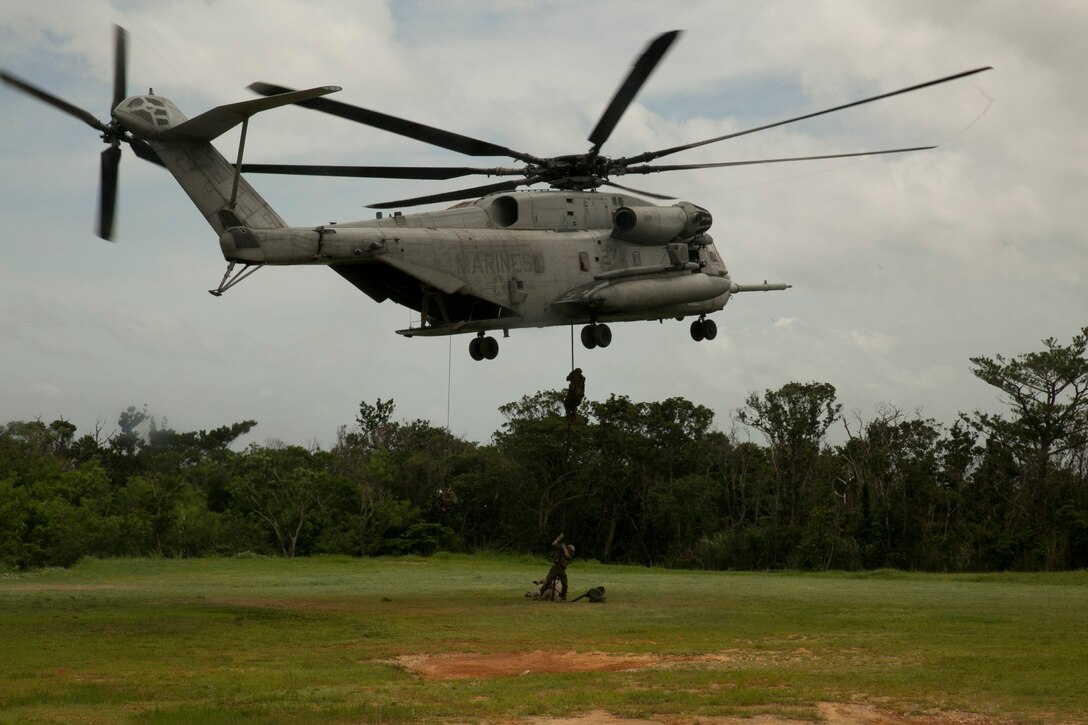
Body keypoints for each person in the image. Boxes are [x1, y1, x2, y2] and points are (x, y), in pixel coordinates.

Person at [539, 533, 575, 600]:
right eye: (571, 551)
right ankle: (541, 593)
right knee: (548, 581)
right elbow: (553, 544)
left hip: (562, 570)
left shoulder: (568, 554)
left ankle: (563, 595)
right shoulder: (561, 549)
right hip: (555, 568)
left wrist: (563, 547)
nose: (572, 553)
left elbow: (567, 555)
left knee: (565, 584)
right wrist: (559, 538)